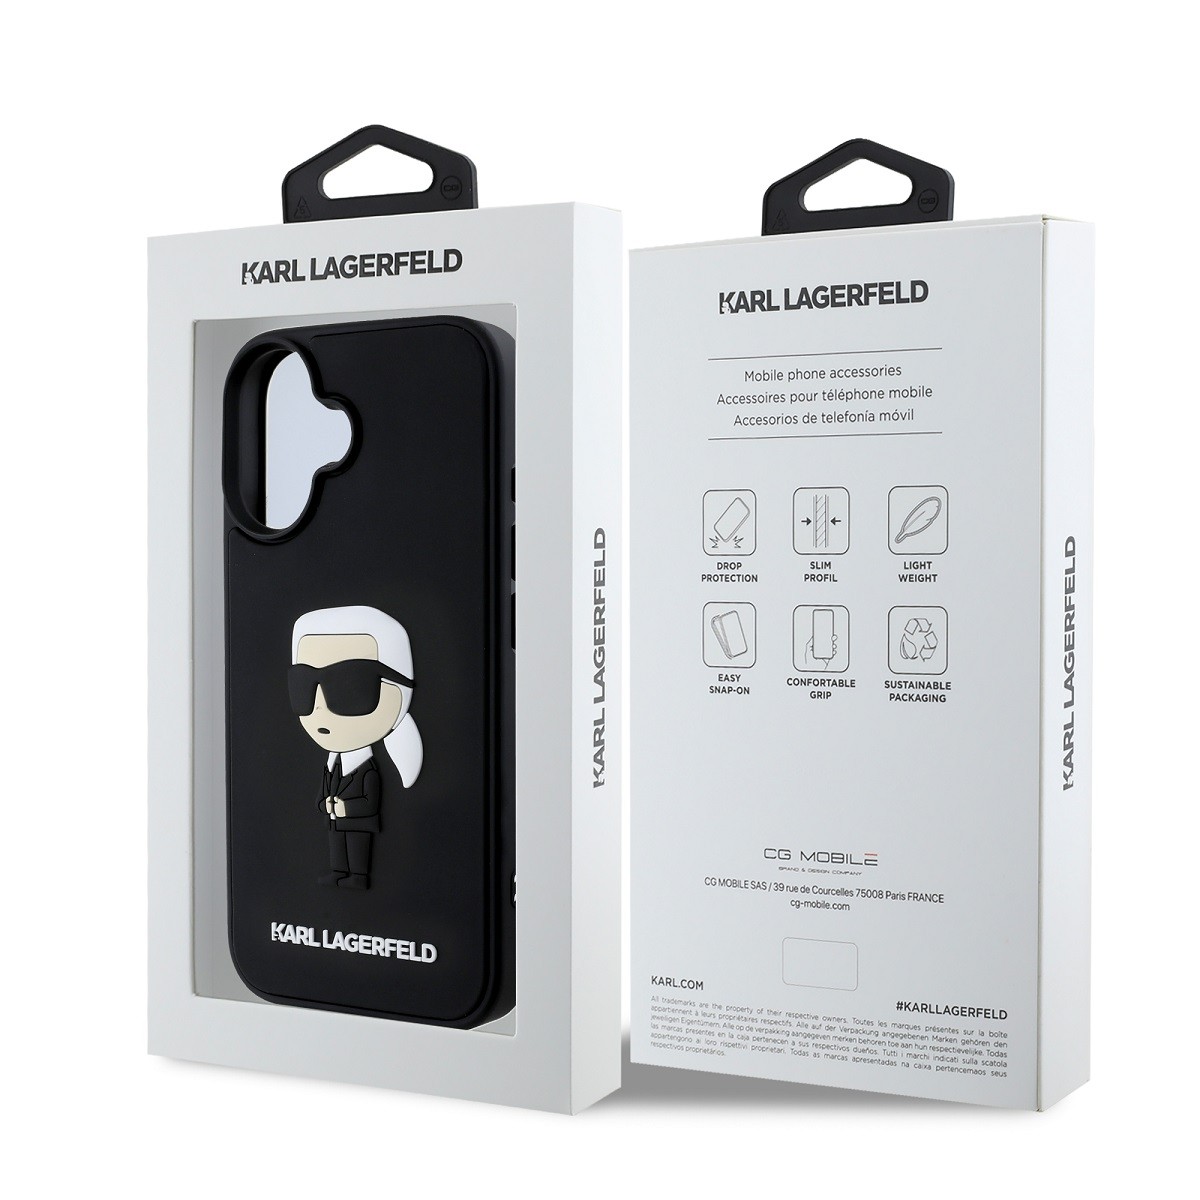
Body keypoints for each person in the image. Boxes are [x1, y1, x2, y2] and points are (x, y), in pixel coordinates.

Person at [288, 605, 423, 889]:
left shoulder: (367, 770)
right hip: (335, 821)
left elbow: (369, 801)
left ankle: (358, 877)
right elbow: (321, 794)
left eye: (351, 686)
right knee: (337, 846)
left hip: (358, 824)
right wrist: (324, 804)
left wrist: (345, 808)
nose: (320, 705)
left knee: (357, 848)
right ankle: (339, 872)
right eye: (303, 686)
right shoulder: (331, 764)